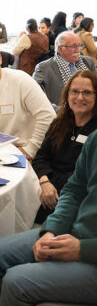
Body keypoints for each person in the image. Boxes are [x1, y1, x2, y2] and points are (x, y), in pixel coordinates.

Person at [0, 128, 97, 306]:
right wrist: (51, 230)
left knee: (16, 283)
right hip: (77, 233)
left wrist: (82, 249)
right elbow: (74, 191)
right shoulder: (94, 139)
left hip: (89, 254)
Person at [0, 40, 55, 160]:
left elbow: (48, 116)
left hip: (23, 150)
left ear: (0, 59)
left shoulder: (21, 81)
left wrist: (31, 149)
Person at [32, 70, 97, 223]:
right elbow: (41, 157)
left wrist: (50, 184)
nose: (79, 97)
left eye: (87, 93)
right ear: (67, 94)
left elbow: (85, 176)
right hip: (45, 187)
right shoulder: (59, 123)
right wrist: (44, 182)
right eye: (75, 91)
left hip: (75, 198)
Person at [33, 31, 96, 108]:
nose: (78, 50)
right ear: (60, 49)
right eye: (74, 46)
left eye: (80, 46)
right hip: (61, 114)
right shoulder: (44, 67)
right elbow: (34, 96)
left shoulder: (88, 62)